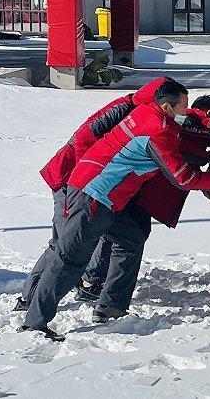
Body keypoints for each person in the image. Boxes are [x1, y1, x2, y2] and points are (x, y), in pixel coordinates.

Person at [19, 81, 210, 340]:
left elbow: (180, 143)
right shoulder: (155, 130)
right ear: (166, 107)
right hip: (93, 194)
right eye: (183, 107)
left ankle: (111, 307)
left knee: (131, 238)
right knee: (70, 259)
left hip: (110, 198)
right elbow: (181, 176)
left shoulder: (152, 115)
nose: (188, 111)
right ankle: (34, 322)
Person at [15, 77, 169, 312]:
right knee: (63, 244)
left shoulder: (139, 113)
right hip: (69, 181)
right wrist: (88, 178)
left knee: (111, 234)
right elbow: (84, 140)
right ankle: (30, 297)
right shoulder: (124, 111)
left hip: (92, 185)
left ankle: (90, 283)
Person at [75, 94, 210, 318]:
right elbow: (188, 149)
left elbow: (192, 146)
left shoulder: (185, 122)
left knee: (121, 235)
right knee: (126, 238)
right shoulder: (193, 122)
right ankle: (103, 294)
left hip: (140, 189)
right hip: (146, 191)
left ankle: (94, 282)